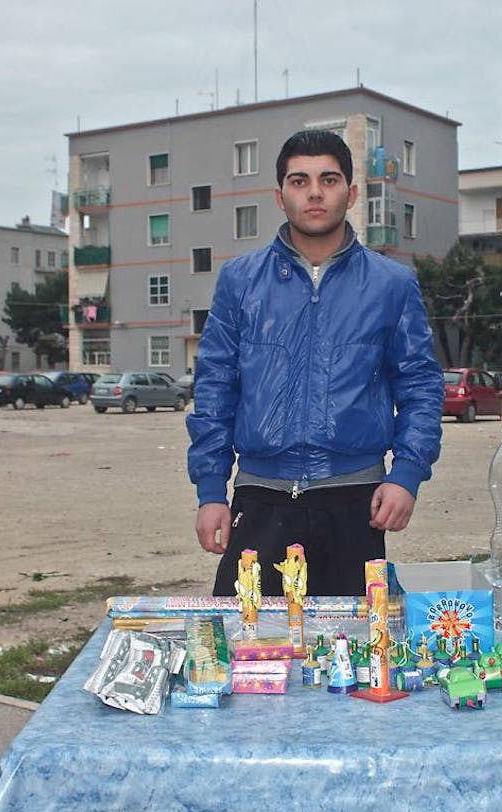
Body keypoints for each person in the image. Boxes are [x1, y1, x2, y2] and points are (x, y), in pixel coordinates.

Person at [186, 129, 443, 597]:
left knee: (357, 639)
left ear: (352, 192)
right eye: (299, 180)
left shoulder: (392, 284)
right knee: (245, 636)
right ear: (279, 196)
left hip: (355, 502)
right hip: (260, 498)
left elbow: (421, 387)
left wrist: (406, 475)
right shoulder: (240, 281)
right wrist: (210, 491)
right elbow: (215, 388)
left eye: (329, 179)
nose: (315, 193)